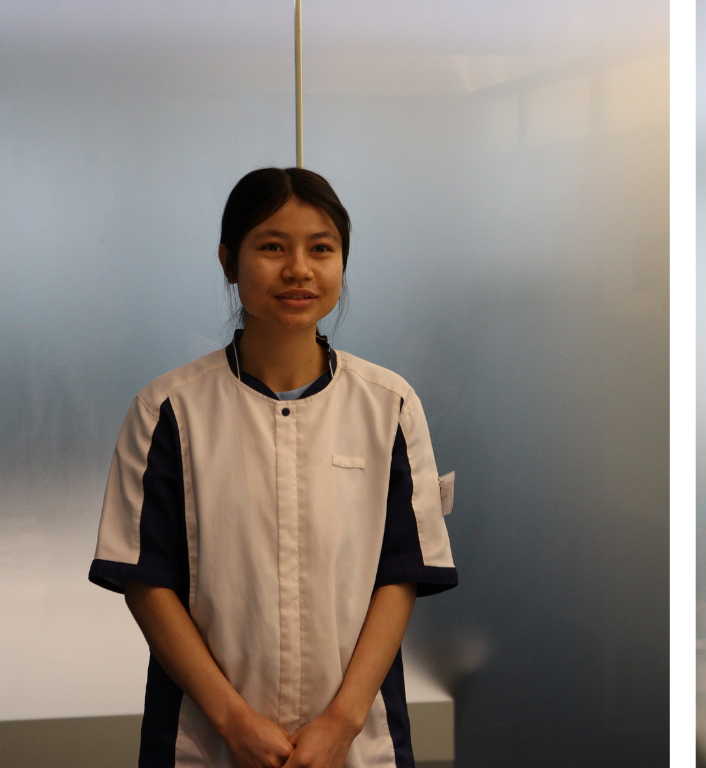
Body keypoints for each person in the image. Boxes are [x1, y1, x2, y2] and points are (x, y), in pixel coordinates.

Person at [89, 167, 458, 768]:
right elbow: (145, 579)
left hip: (355, 743)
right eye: (272, 247)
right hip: (205, 741)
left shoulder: (389, 405)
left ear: (342, 261)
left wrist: (342, 723)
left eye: (321, 248)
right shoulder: (168, 410)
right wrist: (233, 722)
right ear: (228, 262)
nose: (299, 270)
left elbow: (401, 573)